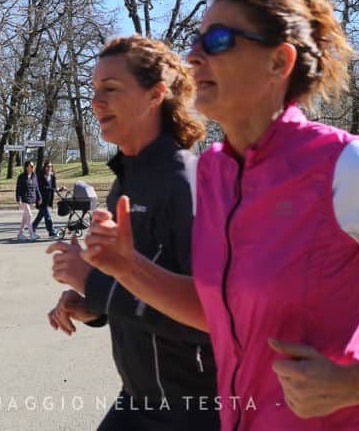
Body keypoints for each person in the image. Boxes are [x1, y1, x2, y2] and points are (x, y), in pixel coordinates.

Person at [81, 0, 359, 430]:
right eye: (196, 39)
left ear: (278, 62)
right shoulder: (215, 173)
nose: (194, 56)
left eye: (219, 39)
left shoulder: (350, 167)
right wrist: (128, 269)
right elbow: (219, 313)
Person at [46, 35, 219, 430]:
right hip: (139, 400)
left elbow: (211, 320)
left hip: (194, 411)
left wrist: (93, 282)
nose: (96, 102)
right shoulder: (126, 180)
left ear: (156, 94)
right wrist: (92, 305)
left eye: (110, 89)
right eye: (94, 90)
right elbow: (139, 285)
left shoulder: (187, 185)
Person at [15, 160, 41, 240]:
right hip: (23, 198)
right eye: (31, 166)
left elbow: (37, 188)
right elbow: (18, 189)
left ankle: (19, 234)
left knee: (25, 218)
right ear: (27, 167)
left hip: (31, 198)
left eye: (33, 166)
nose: (33, 167)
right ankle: (32, 234)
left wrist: (39, 197)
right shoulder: (21, 176)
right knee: (29, 215)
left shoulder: (34, 176)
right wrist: (18, 199)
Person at [32, 161, 58, 239]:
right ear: (44, 167)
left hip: (49, 199)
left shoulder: (53, 177)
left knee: (40, 216)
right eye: (47, 166)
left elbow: (55, 187)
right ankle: (51, 232)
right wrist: (54, 189)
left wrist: (60, 189)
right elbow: (42, 188)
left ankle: (32, 227)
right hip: (41, 199)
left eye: (50, 166)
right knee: (48, 216)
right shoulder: (40, 177)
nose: (49, 168)